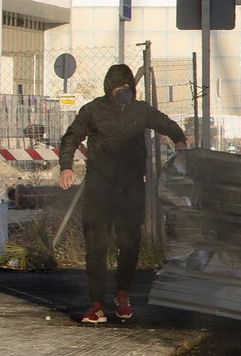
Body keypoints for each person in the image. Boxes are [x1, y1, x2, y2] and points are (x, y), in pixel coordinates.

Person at [58, 64, 188, 324]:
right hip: (100, 188)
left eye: (128, 87)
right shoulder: (93, 110)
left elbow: (166, 124)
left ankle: (122, 294)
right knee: (96, 246)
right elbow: (71, 137)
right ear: (110, 88)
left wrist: (180, 141)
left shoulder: (141, 110)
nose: (124, 91)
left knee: (129, 244)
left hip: (131, 187)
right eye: (120, 87)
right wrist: (66, 166)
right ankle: (97, 304)